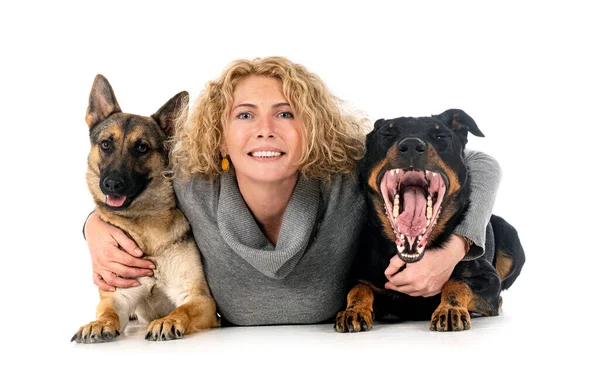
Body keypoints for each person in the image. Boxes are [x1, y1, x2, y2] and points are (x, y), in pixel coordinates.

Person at [84, 56, 502, 326]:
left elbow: (482, 163)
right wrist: (92, 227)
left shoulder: (346, 179)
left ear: (312, 129)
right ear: (219, 135)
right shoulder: (195, 187)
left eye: (285, 113)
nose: (265, 128)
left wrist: (453, 251)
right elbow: (123, 184)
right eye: (245, 114)